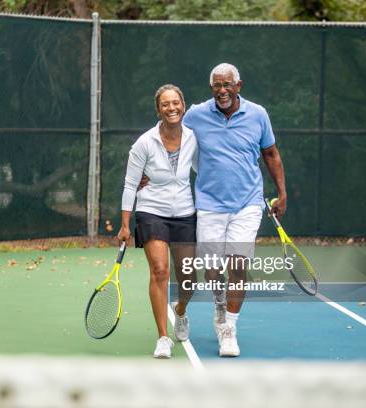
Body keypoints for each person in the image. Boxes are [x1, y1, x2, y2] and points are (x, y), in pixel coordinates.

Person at [183, 63, 287, 357]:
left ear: (239, 85)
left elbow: (271, 154)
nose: (222, 90)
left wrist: (282, 194)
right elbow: (169, 138)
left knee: (238, 265)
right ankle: (219, 302)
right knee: (213, 270)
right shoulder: (196, 115)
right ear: (211, 88)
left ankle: (229, 329)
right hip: (209, 204)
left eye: (228, 84)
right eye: (217, 85)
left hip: (248, 204)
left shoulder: (258, 115)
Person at [117, 84, 198, 359]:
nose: (171, 108)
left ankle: (181, 311)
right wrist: (126, 224)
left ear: (183, 106)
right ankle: (163, 336)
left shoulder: (194, 138)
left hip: (186, 212)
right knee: (160, 270)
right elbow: (130, 184)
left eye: (176, 103)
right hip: (152, 211)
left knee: (188, 278)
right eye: (166, 104)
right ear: (158, 109)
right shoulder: (144, 143)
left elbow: (205, 169)